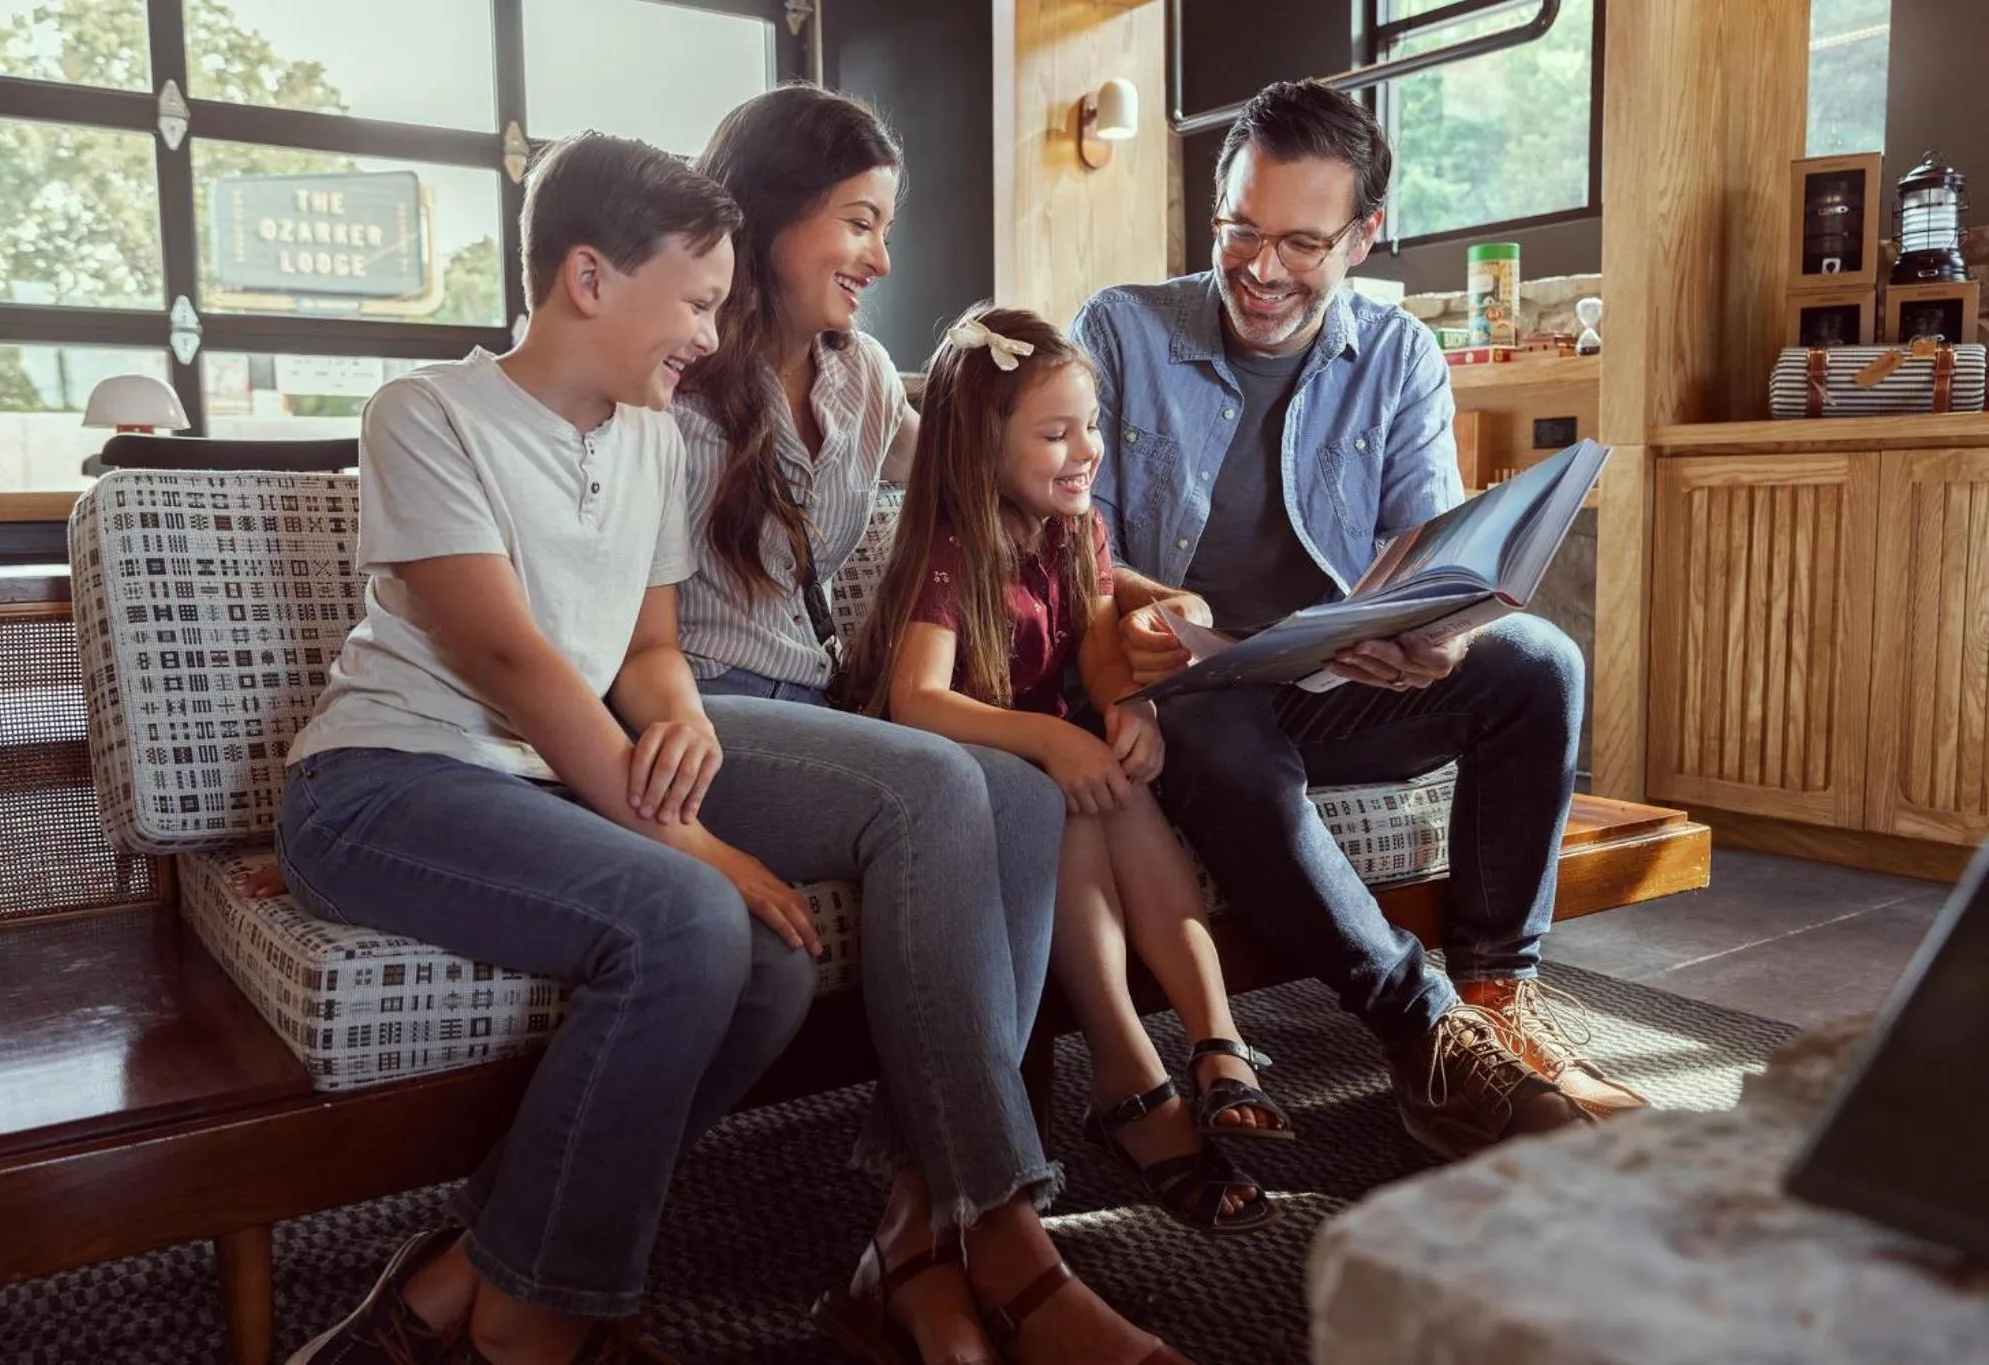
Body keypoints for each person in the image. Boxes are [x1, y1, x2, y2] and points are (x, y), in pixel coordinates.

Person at [672, 86, 1194, 1365]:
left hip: (819, 722)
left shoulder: (856, 384)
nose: (881, 257)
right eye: (856, 222)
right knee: (941, 787)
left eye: (884, 225)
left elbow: (1000, 466)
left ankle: (910, 1233)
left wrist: (1142, 595)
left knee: (1013, 794)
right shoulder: (669, 385)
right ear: (766, 220)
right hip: (692, 718)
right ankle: (1008, 1237)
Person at [274, 135, 811, 1365]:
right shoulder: (426, 412)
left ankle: (469, 1277)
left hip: (528, 789)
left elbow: (648, 644)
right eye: (695, 302)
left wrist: (678, 711)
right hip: (378, 785)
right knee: (689, 921)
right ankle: (535, 1328)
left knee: (773, 968)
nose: (710, 336)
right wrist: (689, 842)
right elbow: (509, 662)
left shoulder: (657, 439)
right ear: (587, 276)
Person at [1070, 79, 1648, 1162]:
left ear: (1364, 234)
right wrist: (1144, 616)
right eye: (1240, 231)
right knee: (1213, 728)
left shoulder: (1395, 357)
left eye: (1299, 241)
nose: (1260, 269)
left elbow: (1437, 558)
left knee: (1537, 664)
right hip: (1191, 696)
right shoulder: (1120, 329)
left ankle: (1495, 997)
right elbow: (1071, 547)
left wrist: (1439, 635)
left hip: (1337, 685)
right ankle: (1422, 1032)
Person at [844, 302, 1297, 1245]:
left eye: (1091, 426)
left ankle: (1217, 1043)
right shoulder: (953, 546)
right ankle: (1129, 1068)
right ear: (981, 444)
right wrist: (1053, 743)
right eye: (1056, 433)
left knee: (1123, 794)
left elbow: (1096, 649)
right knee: (1076, 808)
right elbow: (916, 698)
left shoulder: (1072, 527)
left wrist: (1131, 708)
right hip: (959, 760)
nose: (1085, 450)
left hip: (1049, 746)